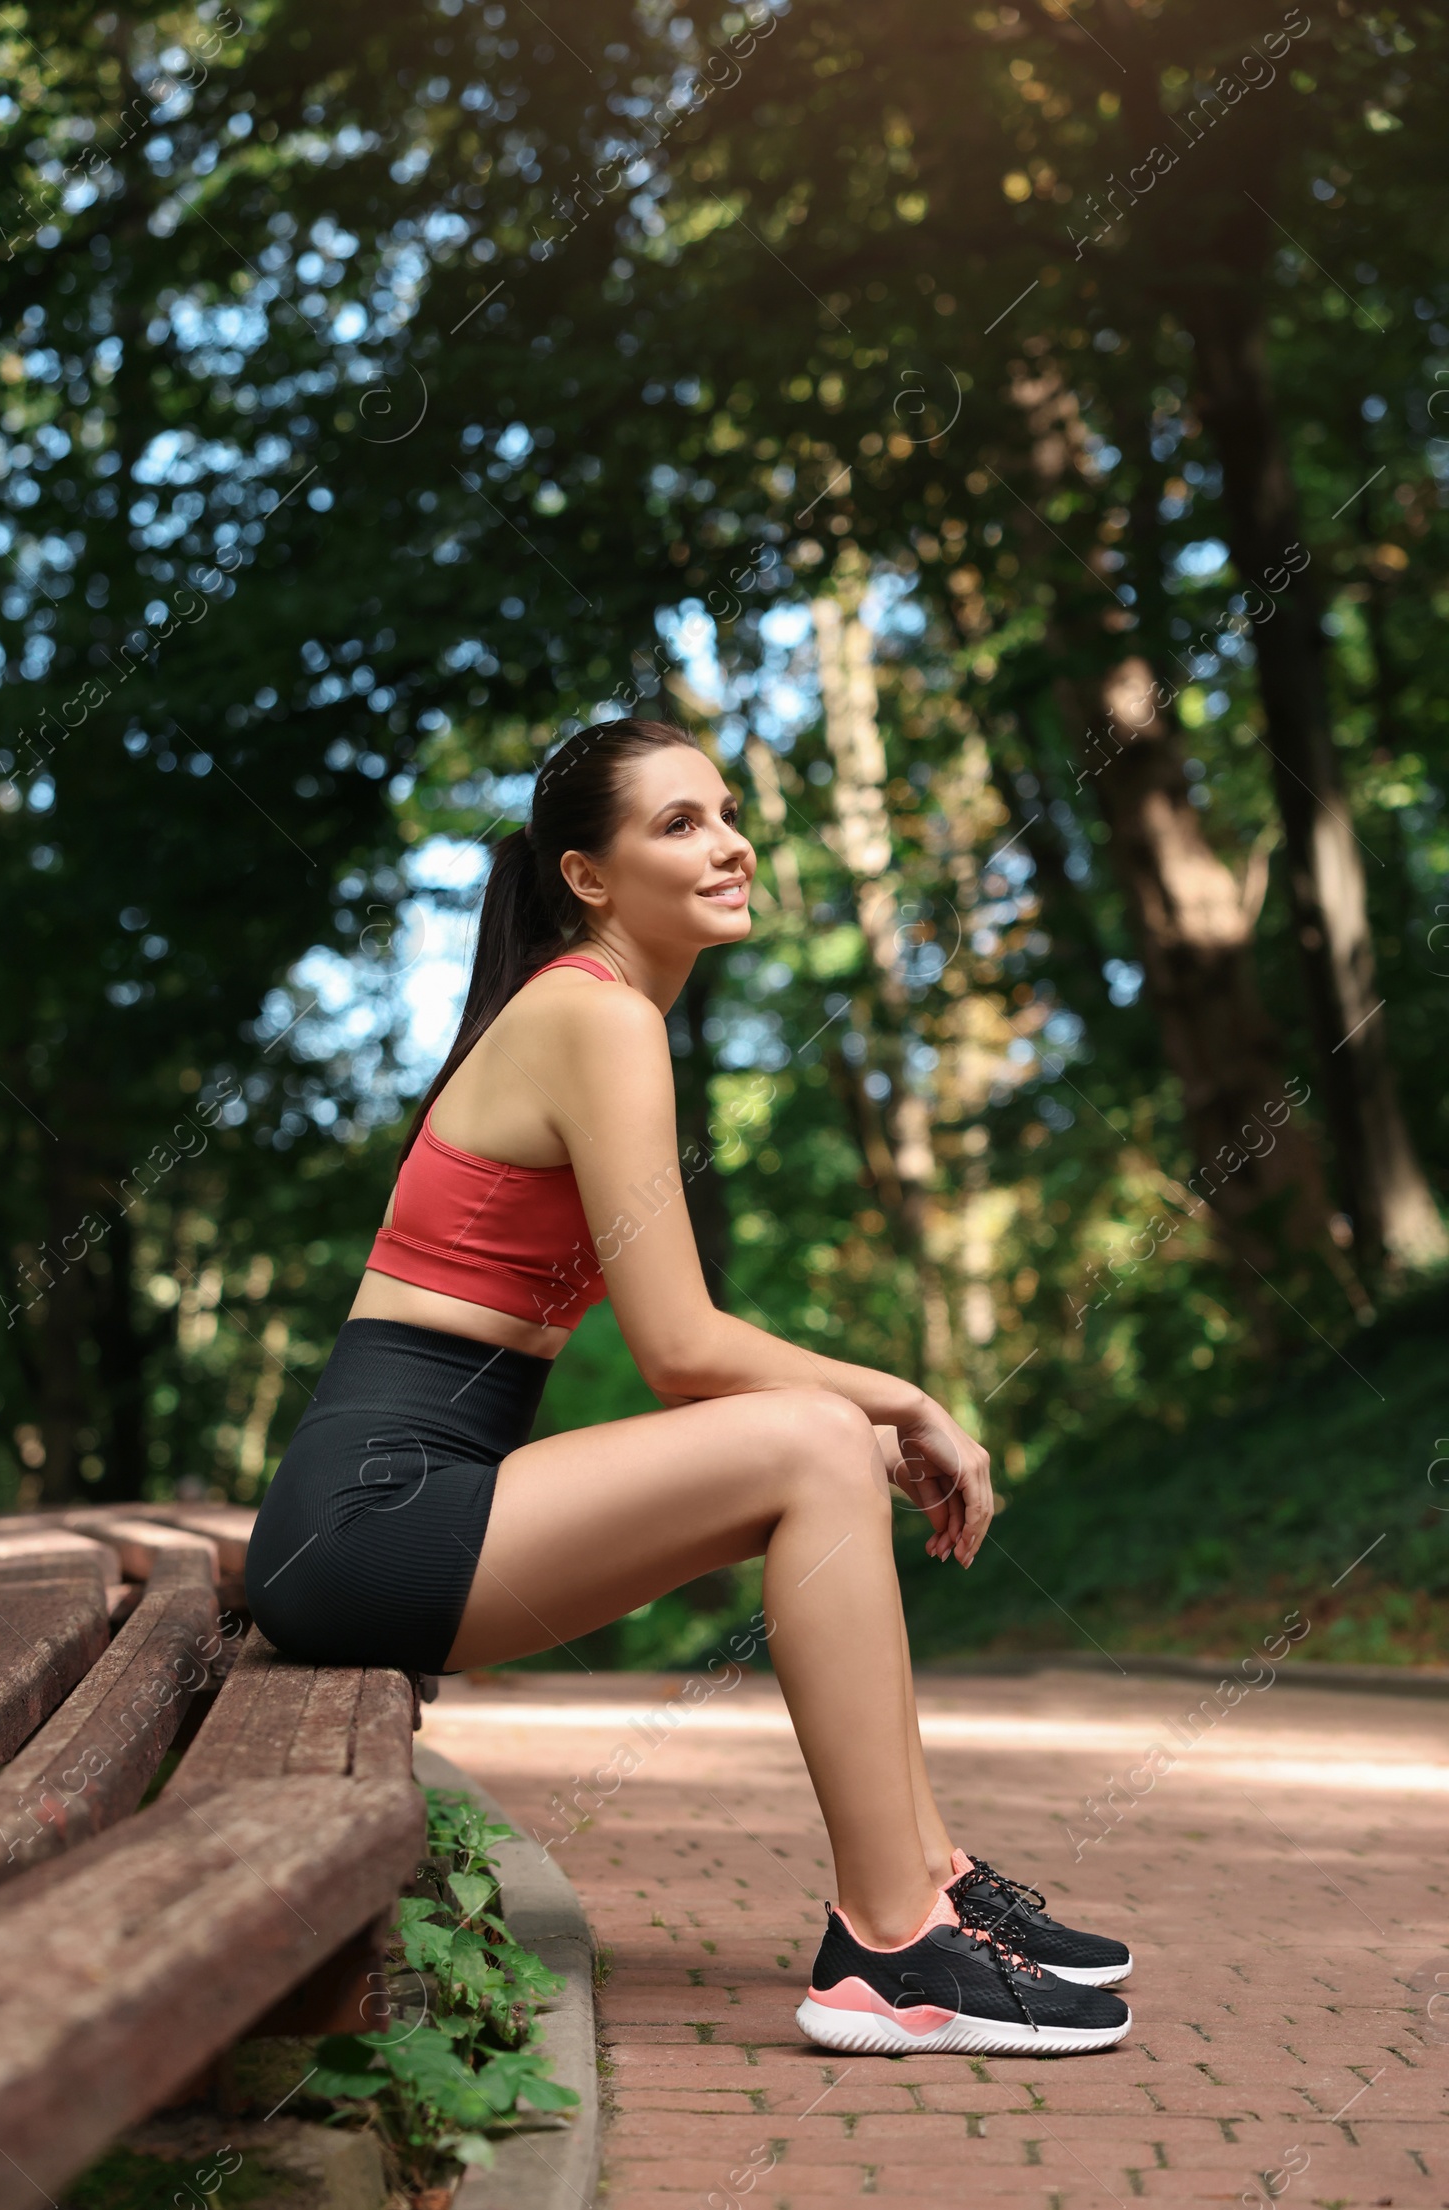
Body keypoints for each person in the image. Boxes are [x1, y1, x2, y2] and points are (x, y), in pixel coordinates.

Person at [245, 719, 1131, 2057]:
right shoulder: (591, 1016)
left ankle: (929, 1888)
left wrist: (869, 1414)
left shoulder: (594, 1010)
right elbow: (680, 1347)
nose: (728, 843)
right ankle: (892, 1954)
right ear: (587, 877)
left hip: (393, 1508)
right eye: (678, 824)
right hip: (377, 1517)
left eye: (724, 812)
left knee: (816, 1447)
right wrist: (906, 1397)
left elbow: (684, 1352)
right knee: (815, 1441)